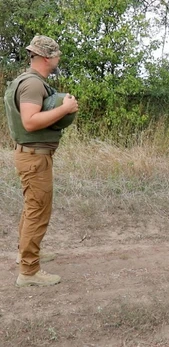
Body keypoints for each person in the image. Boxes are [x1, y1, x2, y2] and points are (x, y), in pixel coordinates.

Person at [3, 35, 79, 287]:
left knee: (32, 208)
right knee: (38, 211)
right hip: (35, 157)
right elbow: (30, 122)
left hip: (30, 155)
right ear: (48, 57)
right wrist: (65, 109)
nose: (58, 59)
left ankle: (27, 253)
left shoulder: (24, 81)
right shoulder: (33, 85)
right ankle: (29, 271)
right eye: (57, 55)